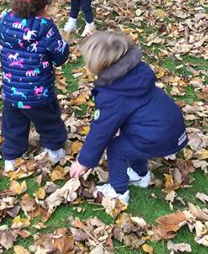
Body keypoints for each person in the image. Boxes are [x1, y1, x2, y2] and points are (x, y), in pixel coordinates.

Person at [69, 32, 188, 204]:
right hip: (171, 129)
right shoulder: (137, 73)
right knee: (131, 141)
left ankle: (119, 192)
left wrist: (83, 161)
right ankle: (140, 175)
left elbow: (101, 131)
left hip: (159, 136)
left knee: (116, 148)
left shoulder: (113, 95)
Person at [0, 0, 70, 171]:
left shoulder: (5, 19)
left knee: (13, 124)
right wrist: (64, 45)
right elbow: (59, 56)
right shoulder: (45, 26)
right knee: (49, 120)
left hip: (12, 90)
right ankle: (54, 150)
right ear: (44, 6)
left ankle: (11, 158)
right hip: (39, 93)